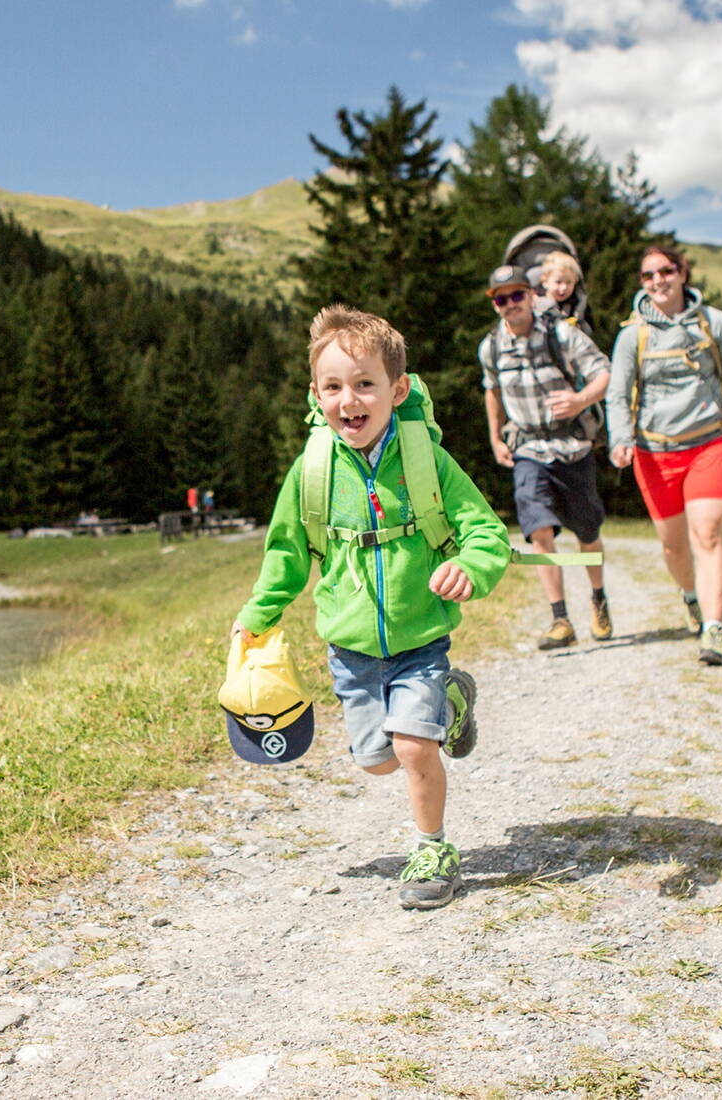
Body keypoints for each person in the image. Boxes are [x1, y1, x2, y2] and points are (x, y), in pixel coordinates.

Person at [233, 304, 510, 910]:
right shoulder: (311, 472)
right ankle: (455, 704)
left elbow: (486, 532)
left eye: (364, 384)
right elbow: (287, 554)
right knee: (377, 761)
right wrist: (259, 613)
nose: (349, 400)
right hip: (351, 649)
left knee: (414, 746)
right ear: (316, 393)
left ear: (397, 389)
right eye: (333, 386)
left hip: (419, 637)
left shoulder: (426, 462)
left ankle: (433, 848)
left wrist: (471, 565)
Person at [607, 245, 722, 666]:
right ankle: (691, 597)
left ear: (682, 273)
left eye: (665, 271)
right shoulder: (630, 335)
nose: (657, 280)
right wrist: (619, 438)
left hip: (710, 445)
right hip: (654, 454)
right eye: (648, 275)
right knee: (674, 549)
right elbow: (617, 395)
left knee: (707, 534)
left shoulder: (716, 324)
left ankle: (714, 629)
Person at [479, 264, 614, 650]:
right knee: (538, 530)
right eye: (501, 299)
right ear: (495, 304)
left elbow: (603, 372)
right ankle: (559, 619)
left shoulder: (562, 333)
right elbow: (492, 390)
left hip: (572, 447)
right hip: (528, 450)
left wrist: (580, 400)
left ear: (531, 295)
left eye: (517, 295)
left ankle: (599, 599)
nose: (510, 304)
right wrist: (496, 437)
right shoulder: (490, 346)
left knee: (588, 534)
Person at [535, 250, 592, 338]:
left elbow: (589, 329)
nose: (564, 287)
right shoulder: (535, 303)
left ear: (575, 281)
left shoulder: (578, 305)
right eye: (558, 282)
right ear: (545, 281)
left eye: (569, 282)